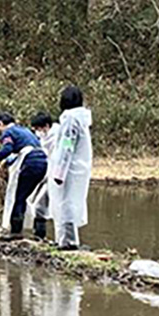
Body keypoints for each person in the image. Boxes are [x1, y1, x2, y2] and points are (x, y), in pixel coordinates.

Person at [0, 112, 48, 240]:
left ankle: (15, 232)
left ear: (1, 123)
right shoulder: (24, 130)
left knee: (18, 197)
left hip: (30, 162)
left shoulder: (8, 132)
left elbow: (7, 149)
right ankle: (36, 232)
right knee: (28, 197)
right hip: (43, 163)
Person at [49, 85, 93, 250]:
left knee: (66, 203)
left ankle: (68, 241)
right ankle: (66, 239)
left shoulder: (70, 119)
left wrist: (59, 172)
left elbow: (67, 145)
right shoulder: (81, 119)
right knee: (72, 202)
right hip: (79, 168)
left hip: (69, 169)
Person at [28, 111, 61, 241]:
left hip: (55, 174)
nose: (37, 132)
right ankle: (39, 237)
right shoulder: (43, 137)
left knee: (40, 206)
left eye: (38, 128)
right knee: (37, 205)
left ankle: (42, 237)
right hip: (45, 172)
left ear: (46, 126)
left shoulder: (58, 135)